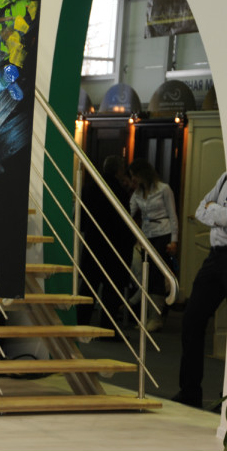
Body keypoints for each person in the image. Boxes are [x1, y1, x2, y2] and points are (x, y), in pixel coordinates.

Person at [174, 171, 227, 409]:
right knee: (192, 320)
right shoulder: (225, 177)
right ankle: (190, 392)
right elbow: (199, 210)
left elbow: (210, 210)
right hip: (216, 258)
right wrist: (217, 213)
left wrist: (212, 209)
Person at [77, 155, 134, 331]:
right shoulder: (120, 192)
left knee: (89, 285)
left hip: (93, 242)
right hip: (114, 246)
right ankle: (107, 326)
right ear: (119, 171)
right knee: (112, 288)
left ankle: (81, 321)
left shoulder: (90, 187)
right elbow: (124, 222)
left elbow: (81, 216)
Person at [128, 158, 178, 332]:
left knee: (156, 274)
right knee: (147, 272)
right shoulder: (138, 193)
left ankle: (155, 317)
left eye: (134, 175)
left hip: (163, 232)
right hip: (147, 234)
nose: (133, 179)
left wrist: (174, 240)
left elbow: (173, 215)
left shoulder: (164, 189)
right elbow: (129, 210)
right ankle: (149, 315)